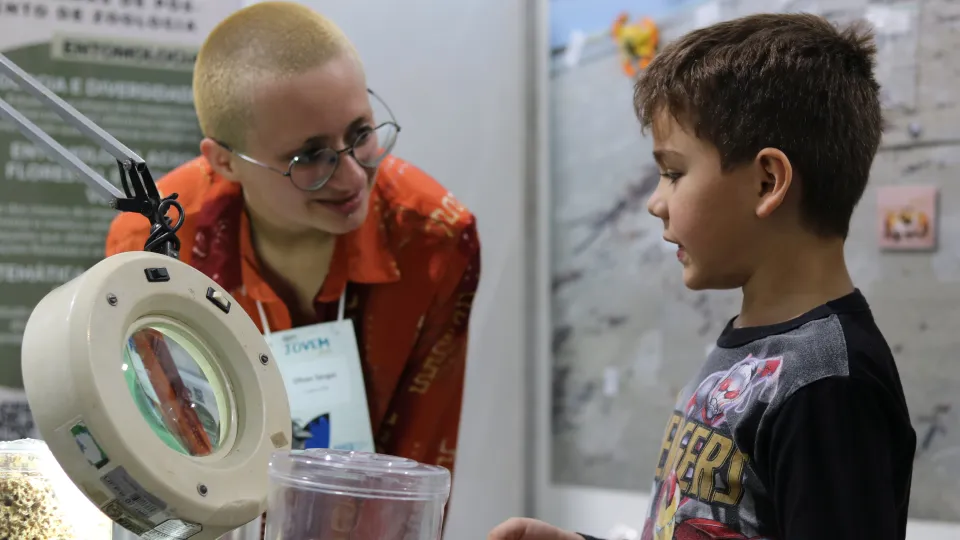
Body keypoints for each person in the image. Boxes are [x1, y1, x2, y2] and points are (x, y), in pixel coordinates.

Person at [490, 12, 915, 540]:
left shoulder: (828, 386)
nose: (655, 202)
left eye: (673, 173)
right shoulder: (754, 349)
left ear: (767, 182)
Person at [106, 0, 480, 483]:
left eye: (361, 133)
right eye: (310, 156)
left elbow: (419, 465)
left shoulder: (434, 239)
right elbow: (164, 446)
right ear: (224, 161)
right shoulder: (155, 242)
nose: (353, 178)